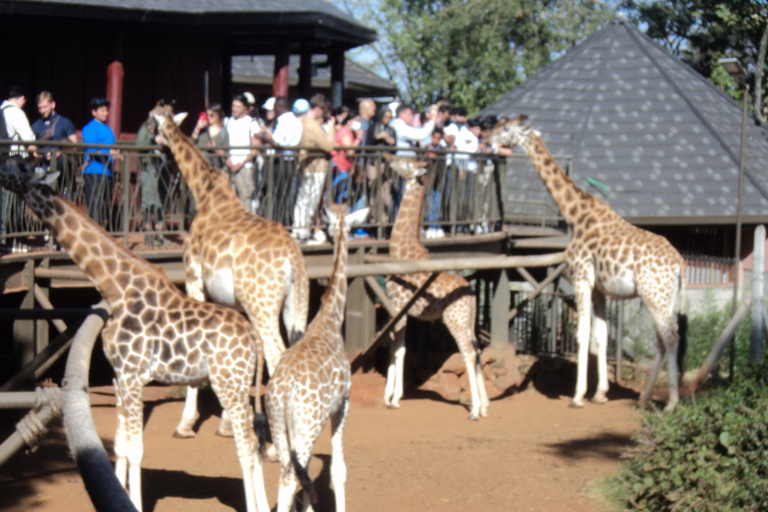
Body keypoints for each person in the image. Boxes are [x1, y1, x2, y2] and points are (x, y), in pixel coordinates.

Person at [292, 93, 335, 242]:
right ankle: (302, 231)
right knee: (311, 201)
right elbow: (329, 146)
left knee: (302, 199)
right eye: (323, 111)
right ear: (319, 109)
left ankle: (298, 230)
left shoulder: (300, 120)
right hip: (316, 167)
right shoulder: (311, 125)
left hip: (305, 165)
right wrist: (331, 128)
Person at [1, 86, 37, 243]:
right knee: (12, 198)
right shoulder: (16, 112)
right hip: (12, 161)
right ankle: (10, 235)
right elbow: (28, 137)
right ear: (22, 99)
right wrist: (35, 152)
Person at [136, 100, 174, 245]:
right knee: (150, 200)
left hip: (164, 167)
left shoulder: (167, 129)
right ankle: (148, 234)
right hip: (150, 167)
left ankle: (159, 234)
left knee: (161, 202)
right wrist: (153, 139)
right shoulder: (147, 128)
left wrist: (167, 144)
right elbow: (140, 145)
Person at [82, 97, 119, 228]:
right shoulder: (89, 128)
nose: (106, 113)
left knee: (104, 205)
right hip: (94, 171)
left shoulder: (108, 129)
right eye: (102, 111)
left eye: (107, 111)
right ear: (94, 112)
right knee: (94, 205)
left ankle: (101, 233)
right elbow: (93, 150)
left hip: (107, 172)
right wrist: (110, 152)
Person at [224, 93, 260, 211]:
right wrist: (228, 159)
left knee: (245, 199)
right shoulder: (228, 122)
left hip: (245, 166)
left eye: (237, 107)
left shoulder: (251, 123)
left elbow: (256, 148)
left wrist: (242, 163)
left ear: (245, 108)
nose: (234, 109)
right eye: (233, 106)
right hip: (230, 164)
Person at [191, 103, 229, 169]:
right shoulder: (202, 130)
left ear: (218, 115)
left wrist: (215, 148)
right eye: (207, 115)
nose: (208, 118)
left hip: (214, 169)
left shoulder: (223, 133)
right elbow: (191, 143)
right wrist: (197, 128)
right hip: (199, 167)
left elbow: (226, 154)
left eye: (211, 115)